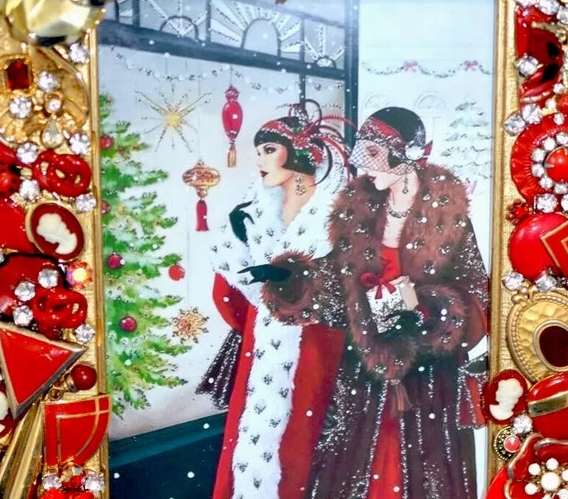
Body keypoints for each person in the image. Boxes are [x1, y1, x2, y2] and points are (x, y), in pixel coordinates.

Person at [252, 107, 489, 499]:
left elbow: (478, 296)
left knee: (422, 476)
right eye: (360, 152)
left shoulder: (448, 216)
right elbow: (338, 287)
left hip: (427, 382)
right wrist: (292, 280)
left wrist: (428, 311)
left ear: (407, 154)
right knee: (353, 474)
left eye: (373, 153)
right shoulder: (358, 210)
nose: (362, 164)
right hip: (364, 375)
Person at [199, 101, 350, 499]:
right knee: (255, 445)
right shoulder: (250, 214)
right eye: (258, 151)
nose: (260, 160)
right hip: (264, 347)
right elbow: (227, 295)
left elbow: (348, 294)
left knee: (305, 444)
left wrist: (287, 288)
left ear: (298, 154)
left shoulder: (338, 218)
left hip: (318, 350)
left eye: (269, 149)